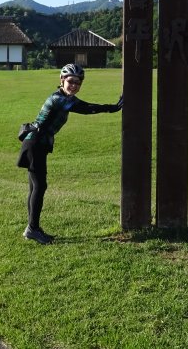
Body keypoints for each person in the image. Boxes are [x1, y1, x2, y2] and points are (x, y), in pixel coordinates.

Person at [17, 63, 122, 244]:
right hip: (35, 144)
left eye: (78, 82)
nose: (74, 85)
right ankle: (32, 229)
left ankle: (32, 228)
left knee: (36, 187)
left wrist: (111, 107)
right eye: (71, 81)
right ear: (62, 80)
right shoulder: (59, 99)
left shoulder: (65, 98)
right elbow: (87, 108)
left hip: (38, 143)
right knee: (39, 187)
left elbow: (83, 106)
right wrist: (112, 107)